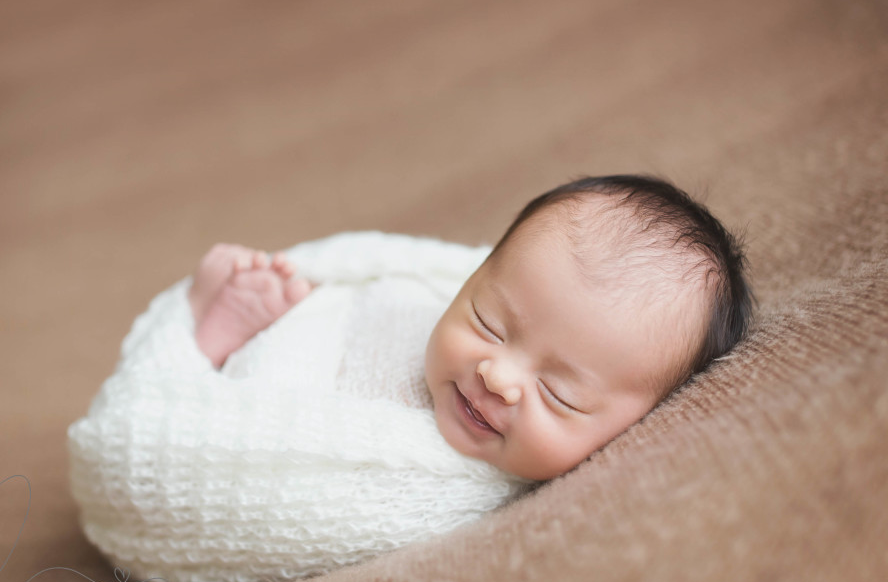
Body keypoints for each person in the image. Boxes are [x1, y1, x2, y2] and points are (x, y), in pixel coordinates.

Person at [186, 174, 754, 482]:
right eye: (487, 322)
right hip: (304, 355)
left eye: (560, 394)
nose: (497, 375)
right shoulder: (414, 298)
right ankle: (216, 341)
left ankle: (209, 356)